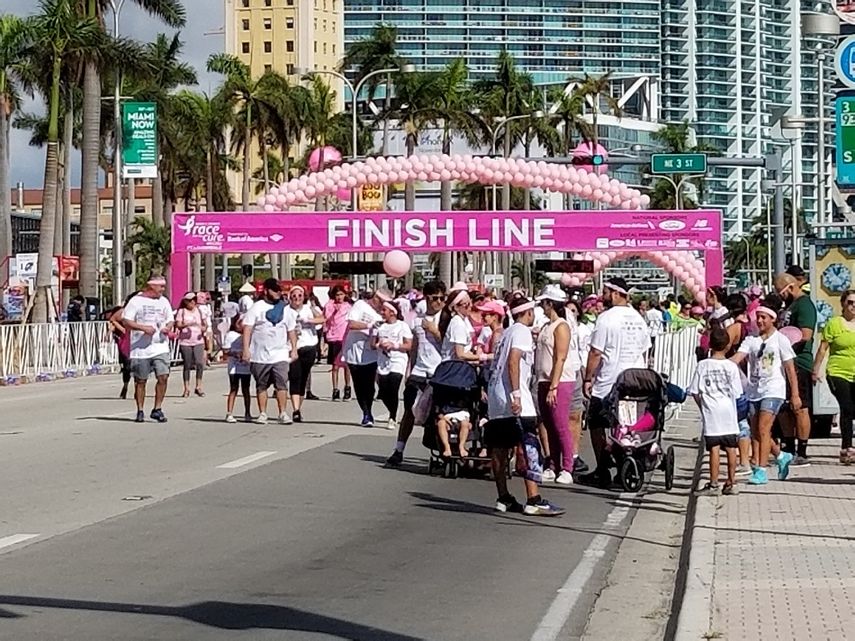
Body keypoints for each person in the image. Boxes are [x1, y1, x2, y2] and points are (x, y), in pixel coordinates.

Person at [486, 294, 564, 516]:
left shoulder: (506, 333)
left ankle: (503, 497)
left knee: (500, 449)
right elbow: (513, 360)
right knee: (529, 446)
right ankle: (534, 499)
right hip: (514, 400)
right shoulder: (521, 331)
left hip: (497, 400)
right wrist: (517, 394)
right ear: (528, 313)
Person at [581, 277, 652, 488]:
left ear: (614, 293)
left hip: (608, 384)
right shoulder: (639, 319)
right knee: (627, 426)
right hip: (635, 382)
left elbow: (595, 352)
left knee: (597, 424)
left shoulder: (606, 319)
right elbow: (645, 349)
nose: (603, 295)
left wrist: (588, 378)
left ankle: (602, 468)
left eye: (605, 291)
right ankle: (625, 463)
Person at [731, 298, 799, 485]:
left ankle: (760, 470)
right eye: (758, 317)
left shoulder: (780, 340)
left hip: (774, 389)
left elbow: (790, 368)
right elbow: (738, 358)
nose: (760, 321)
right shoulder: (751, 340)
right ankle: (780, 455)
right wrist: (719, 364)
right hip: (754, 390)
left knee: (763, 429)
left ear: (772, 320)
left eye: (764, 318)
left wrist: (794, 394)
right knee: (756, 432)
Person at [384, 280, 446, 467]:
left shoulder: (446, 320)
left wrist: (435, 331)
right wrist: (409, 370)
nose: (439, 302)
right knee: (409, 411)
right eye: (435, 298)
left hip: (439, 372)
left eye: (442, 298)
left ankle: (443, 452)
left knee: (440, 415)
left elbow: (451, 345)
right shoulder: (417, 320)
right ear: (426, 298)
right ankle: (399, 449)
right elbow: (414, 347)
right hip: (420, 370)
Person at [687, 327, 743, 496]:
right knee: (732, 448)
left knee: (714, 449)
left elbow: (695, 391)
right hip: (728, 411)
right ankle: (732, 482)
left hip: (711, 412)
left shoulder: (702, 365)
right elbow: (738, 392)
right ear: (728, 345)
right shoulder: (731, 366)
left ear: (710, 345)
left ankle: (713, 484)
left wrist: (702, 404)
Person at [534, 284, 577, 485]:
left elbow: (560, 358)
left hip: (560, 381)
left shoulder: (561, 326)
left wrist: (554, 385)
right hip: (543, 379)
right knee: (549, 424)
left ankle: (567, 466)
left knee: (560, 425)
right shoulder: (545, 326)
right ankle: (553, 464)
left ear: (550, 304)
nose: (542, 306)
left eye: (544, 302)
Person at [241, 277, 299, 425]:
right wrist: (246, 349)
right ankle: (262, 413)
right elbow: (247, 328)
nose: (278, 293)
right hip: (260, 355)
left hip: (280, 353)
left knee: (281, 383)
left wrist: (294, 349)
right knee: (261, 385)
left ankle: (283, 413)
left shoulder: (286, 309)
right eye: (275, 290)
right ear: (266, 291)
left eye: (279, 290)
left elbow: (291, 330)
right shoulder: (257, 307)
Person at [775, 272, 817, 466]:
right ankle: (788, 447)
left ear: (790, 287)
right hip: (783, 363)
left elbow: (805, 335)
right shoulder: (790, 306)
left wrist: (788, 348)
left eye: (780, 291)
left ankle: (802, 450)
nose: (780, 295)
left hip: (799, 362)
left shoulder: (805, 305)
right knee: (784, 408)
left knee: (800, 407)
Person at [121, 275, 175, 423]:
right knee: (140, 381)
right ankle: (140, 410)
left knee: (163, 376)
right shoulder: (136, 301)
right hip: (140, 349)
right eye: (161, 287)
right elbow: (126, 321)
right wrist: (142, 327)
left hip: (160, 346)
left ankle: (157, 409)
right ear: (152, 286)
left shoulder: (164, 301)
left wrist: (167, 328)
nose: (163, 289)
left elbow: (170, 319)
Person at [812, 289, 855, 464]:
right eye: (850, 302)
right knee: (847, 407)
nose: (853, 306)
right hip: (837, 372)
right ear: (843, 304)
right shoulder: (835, 323)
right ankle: (847, 447)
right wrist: (816, 369)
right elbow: (823, 348)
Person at [344, 288, 389, 427]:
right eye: (379, 301)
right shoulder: (360, 305)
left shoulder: (382, 315)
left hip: (371, 354)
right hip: (354, 352)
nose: (380, 304)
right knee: (358, 385)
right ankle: (365, 412)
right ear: (374, 297)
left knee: (369, 386)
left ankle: (368, 412)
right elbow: (351, 324)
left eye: (384, 303)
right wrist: (370, 325)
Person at [287, 285, 325, 423]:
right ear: (290, 297)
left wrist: (309, 320)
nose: (297, 298)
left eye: (300, 296)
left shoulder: (308, 309)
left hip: (309, 346)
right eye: (294, 296)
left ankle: (298, 407)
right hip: (292, 348)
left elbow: (322, 319)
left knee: (303, 378)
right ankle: (295, 410)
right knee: (294, 377)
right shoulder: (286, 311)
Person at [373, 300, 413, 431]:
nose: (382, 312)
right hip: (383, 361)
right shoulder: (380, 326)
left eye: (384, 310)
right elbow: (372, 345)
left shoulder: (402, 326)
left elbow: (408, 345)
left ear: (392, 312)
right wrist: (379, 344)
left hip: (398, 360)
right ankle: (392, 409)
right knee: (383, 392)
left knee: (393, 387)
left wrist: (394, 345)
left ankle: (393, 417)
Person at [174, 292, 208, 398]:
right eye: (189, 301)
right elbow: (178, 325)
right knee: (187, 365)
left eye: (193, 300)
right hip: (186, 341)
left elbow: (205, 324)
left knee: (199, 363)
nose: (192, 302)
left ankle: (198, 386)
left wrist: (203, 328)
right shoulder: (182, 311)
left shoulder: (199, 311)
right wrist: (186, 325)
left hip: (198, 340)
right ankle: (186, 388)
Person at [323, 285, 352, 401]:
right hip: (333, 337)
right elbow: (325, 319)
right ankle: (335, 389)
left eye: (341, 294)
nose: (339, 297)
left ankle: (347, 387)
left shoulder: (348, 307)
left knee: (346, 365)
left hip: (344, 338)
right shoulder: (329, 306)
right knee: (335, 365)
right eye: (337, 295)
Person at [223, 314, 252, 423]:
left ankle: (248, 413)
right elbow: (225, 351)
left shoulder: (248, 335)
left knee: (246, 390)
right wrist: (235, 354)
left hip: (246, 367)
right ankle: (229, 412)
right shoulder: (231, 335)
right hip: (234, 367)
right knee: (234, 388)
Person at [196, 291, 214, 365]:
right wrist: (205, 327)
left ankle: (205, 360)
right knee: (206, 346)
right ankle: (204, 361)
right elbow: (204, 319)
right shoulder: (202, 308)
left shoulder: (203, 307)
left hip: (205, 327)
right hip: (206, 328)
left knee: (206, 345)